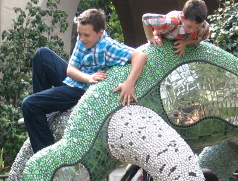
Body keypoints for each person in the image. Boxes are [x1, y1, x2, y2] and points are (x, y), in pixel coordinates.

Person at [21, 8, 147, 153]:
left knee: (29, 104)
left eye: (86, 35)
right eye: (79, 34)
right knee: (42, 54)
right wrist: (88, 77)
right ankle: (43, 112)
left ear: (100, 33)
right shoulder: (83, 40)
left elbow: (140, 56)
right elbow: (70, 69)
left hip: (81, 91)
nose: (81, 39)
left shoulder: (108, 46)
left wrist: (129, 83)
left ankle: (45, 154)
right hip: (77, 79)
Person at [141, 0, 210, 57]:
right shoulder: (171, 21)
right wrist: (151, 37)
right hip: (164, 36)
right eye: (189, 26)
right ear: (182, 18)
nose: (192, 31)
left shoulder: (203, 27)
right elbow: (146, 19)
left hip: (183, 39)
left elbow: (199, 40)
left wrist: (185, 43)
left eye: (197, 28)